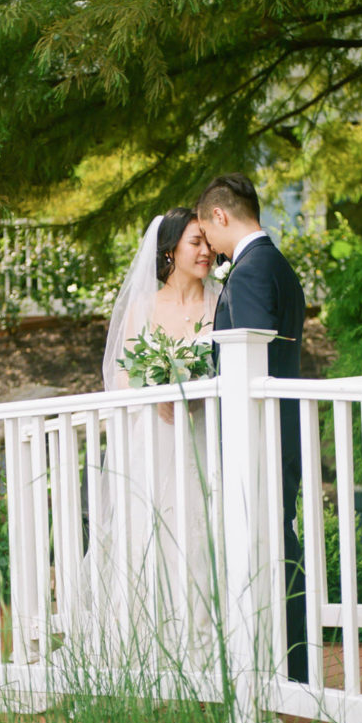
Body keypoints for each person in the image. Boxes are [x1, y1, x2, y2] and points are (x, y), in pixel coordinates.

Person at [94, 207, 221, 663]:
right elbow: (122, 375)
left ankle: (205, 654)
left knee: (202, 535)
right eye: (195, 243)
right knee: (150, 534)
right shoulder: (145, 305)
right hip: (156, 436)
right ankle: (147, 653)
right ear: (170, 250)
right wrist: (156, 391)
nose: (206, 251)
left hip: (205, 434)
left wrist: (202, 391)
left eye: (208, 242)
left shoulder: (219, 301)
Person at [196, 173, 308, 683]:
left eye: (206, 229)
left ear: (221, 215)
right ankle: (288, 661)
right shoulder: (277, 265)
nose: (210, 246)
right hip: (281, 424)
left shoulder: (248, 273)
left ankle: (287, 666)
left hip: (258, 430)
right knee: (278, 536)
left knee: (270, 542)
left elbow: (251, 360)